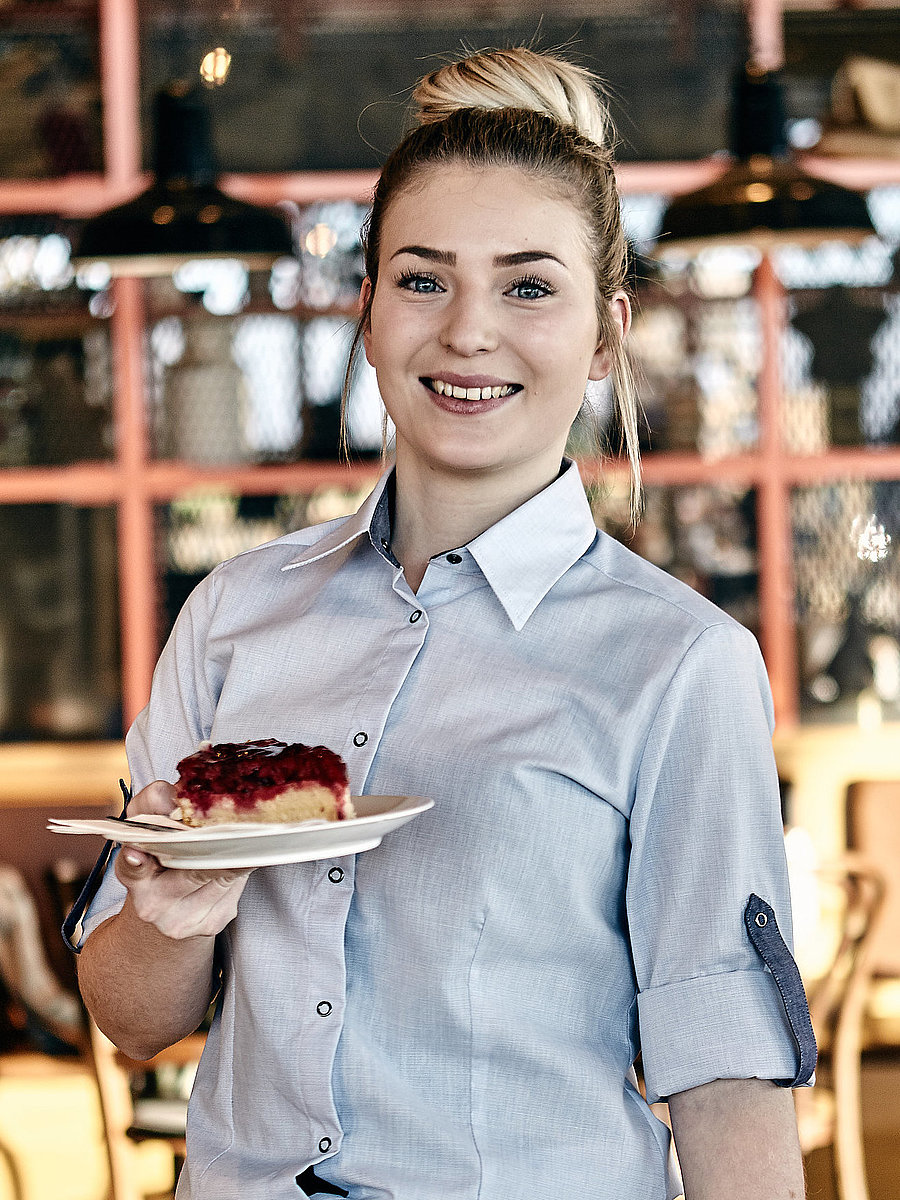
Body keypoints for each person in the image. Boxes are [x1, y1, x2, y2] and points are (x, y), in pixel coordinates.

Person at [74, 46, 814, 1200]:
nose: (469, 332)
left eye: (529, 287)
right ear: (366, 315)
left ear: (607, 335)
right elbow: (131, 1020)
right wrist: (171, 918)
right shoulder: (234, 616)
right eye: (423, 280)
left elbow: (725, 1086)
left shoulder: (678, 663)